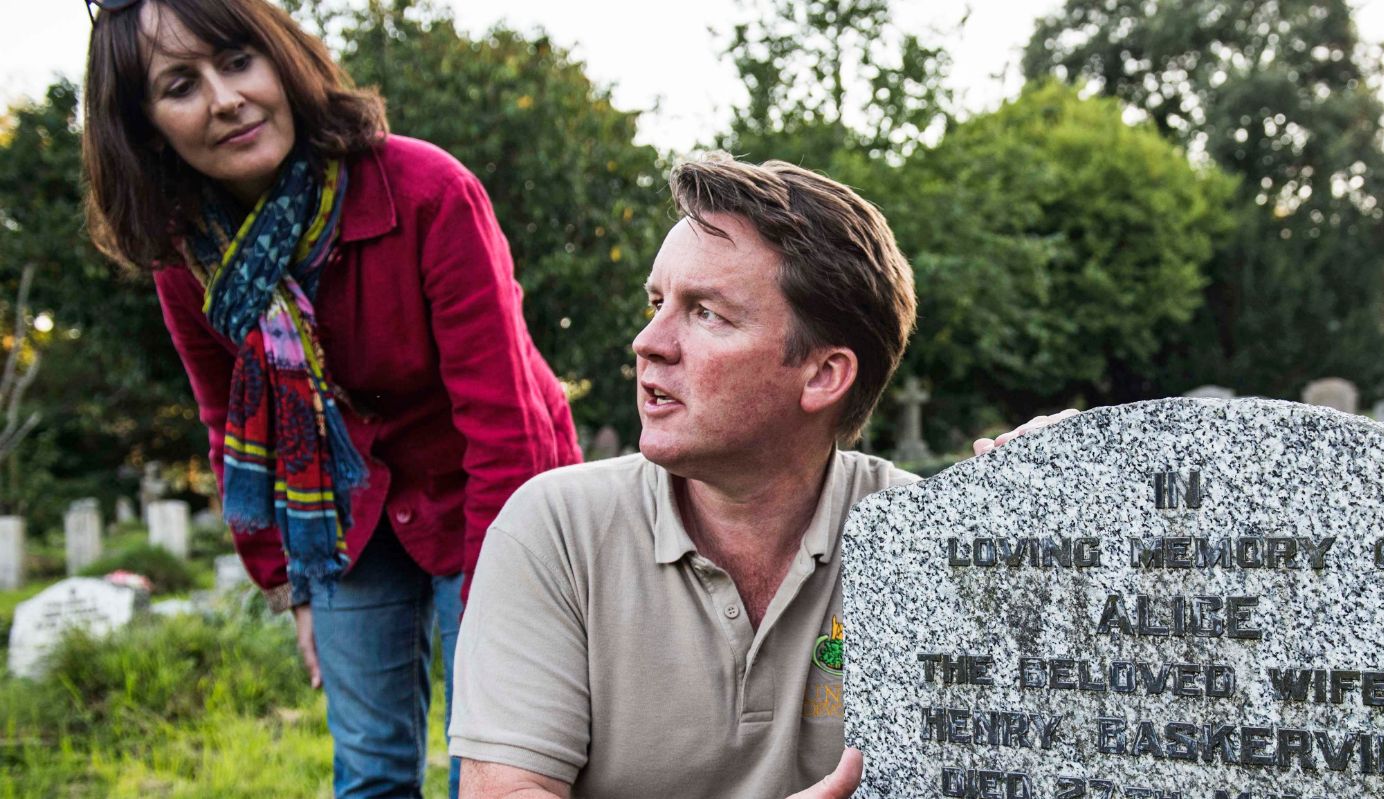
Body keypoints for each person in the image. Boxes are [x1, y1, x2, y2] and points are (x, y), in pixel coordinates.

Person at [450, 154, 1070, 797]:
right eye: (658, 303)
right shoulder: (556, 532)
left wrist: (1070, 528)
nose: (648, 342)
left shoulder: (925, 543)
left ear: (823, 375)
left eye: (705, 313)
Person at [80, 1, 581, 796]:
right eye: (181, 84)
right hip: (344, 516)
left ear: (282, 59)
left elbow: (504, 420)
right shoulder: (187, 261)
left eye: (238, 60)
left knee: (496, 763)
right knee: (370, 770)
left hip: (493, 495)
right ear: (145, 128)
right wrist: (290, 582)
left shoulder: (427, 191)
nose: (224, 99)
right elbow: (226, 422)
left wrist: (499, 600)